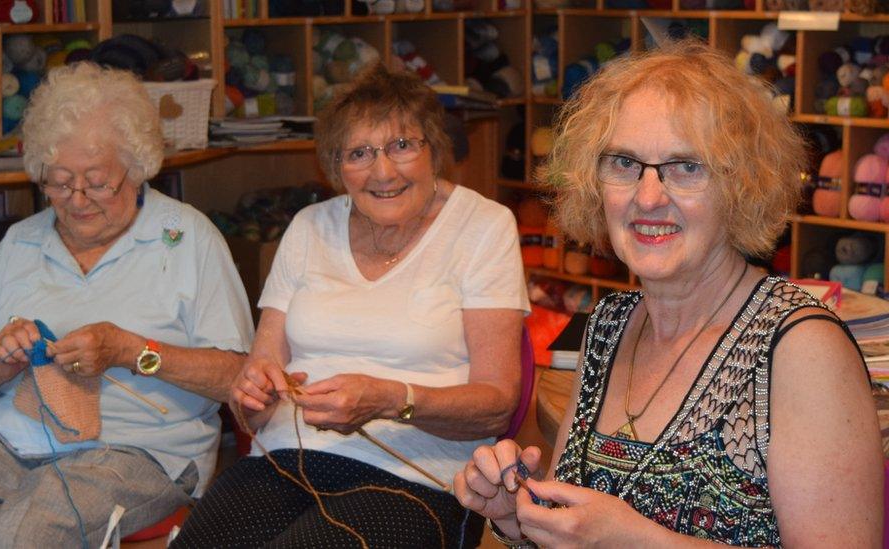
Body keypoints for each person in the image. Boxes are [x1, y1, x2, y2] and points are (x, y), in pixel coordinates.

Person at [455, 40, 884, 547]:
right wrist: (518, 518)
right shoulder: (610, 324)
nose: (649, 196)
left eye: (687, 166)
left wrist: (633, 539)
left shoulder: (800, 349)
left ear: (742, 186)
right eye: (624, 163)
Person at [173, 63, 530, 548]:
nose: (383, 172)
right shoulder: (307, 227)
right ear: (335, 167)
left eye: (402, 146)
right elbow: (257, 390)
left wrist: (391, 399)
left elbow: (496, 404)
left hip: (417, 475)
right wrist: (252, 395)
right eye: (358, 153)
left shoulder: (483, 227)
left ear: (434, 150)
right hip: (284, 458)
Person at [0, 62, 255, 547]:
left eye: (97, 182)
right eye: (58, 181)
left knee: (17, 537)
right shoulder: (20, 243)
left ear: (136, 169)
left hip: (138, 449)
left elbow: (236, 378)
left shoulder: (186, 239)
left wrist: (131, 351)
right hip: (14, 439)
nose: (76, 199)